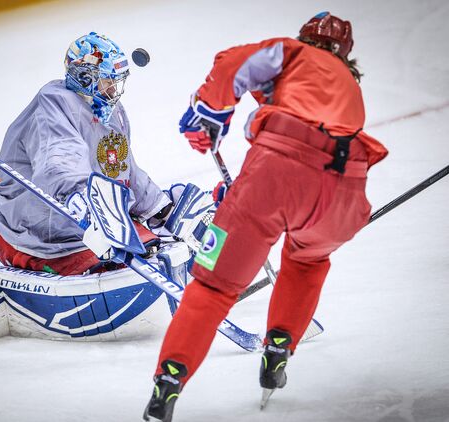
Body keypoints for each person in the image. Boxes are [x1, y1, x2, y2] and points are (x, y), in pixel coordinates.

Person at [143, 12, 389, 421]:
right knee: (308, 262)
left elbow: (233, 62)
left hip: (274, 178)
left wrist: (210, 111)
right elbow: (308, 149)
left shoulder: (293, 54)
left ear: (305, 38)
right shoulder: (348, 85)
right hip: (345, 194)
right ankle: (279, 348)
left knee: (213, 287)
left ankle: (169, 381)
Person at [0, 32, 172, 276]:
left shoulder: (109, 110)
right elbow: (59, 162)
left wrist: (158, 207)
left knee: (150, 248)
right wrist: (84, 201)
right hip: (40, 229)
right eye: (107, 81)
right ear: (85, 77)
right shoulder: (52, 104)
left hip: (82, 220)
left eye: (116, 81)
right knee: (113, 267)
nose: (114, 90)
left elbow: (122, 167)